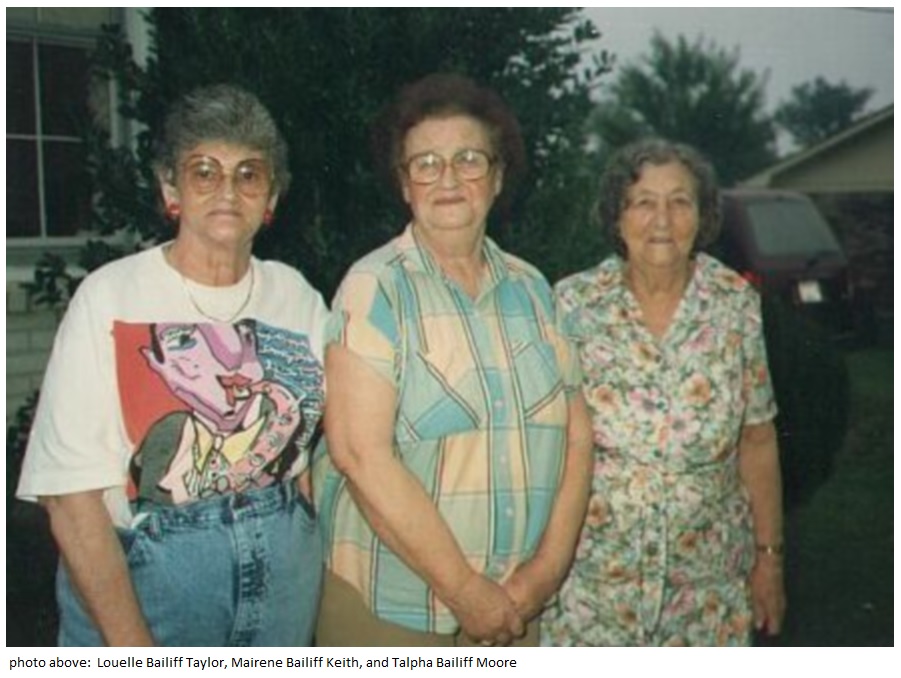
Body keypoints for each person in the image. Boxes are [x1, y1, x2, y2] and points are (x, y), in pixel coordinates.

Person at [16, 84, 328, 647]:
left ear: (271, 197)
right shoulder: (111, 295)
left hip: (283, 591)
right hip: (149, 589)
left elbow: (314, 444)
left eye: (249, 174)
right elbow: (69, 498)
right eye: (204, 172)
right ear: (170, 188)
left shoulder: (297, 296)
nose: (227, 191)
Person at [313, 73, 593, 647]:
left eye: (468, 159)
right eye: (426, 163)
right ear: (404, 185)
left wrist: (544, 574)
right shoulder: (375, 288)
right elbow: (359, 454)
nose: (447, 179)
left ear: (497, 177)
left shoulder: (534, 290)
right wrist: (465, 591)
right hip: (393, 612)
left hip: (516, 604)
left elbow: (577, 438)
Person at [541, 138, 786, 646]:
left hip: (709, 590)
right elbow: (545, 443)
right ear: (617, 216)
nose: (662, 220)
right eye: (643, 202)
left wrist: (769, 559)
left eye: (679, 202)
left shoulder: (735, 303)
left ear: (702, 215)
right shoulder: (573, 304)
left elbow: (758, 439)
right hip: (593, 587)